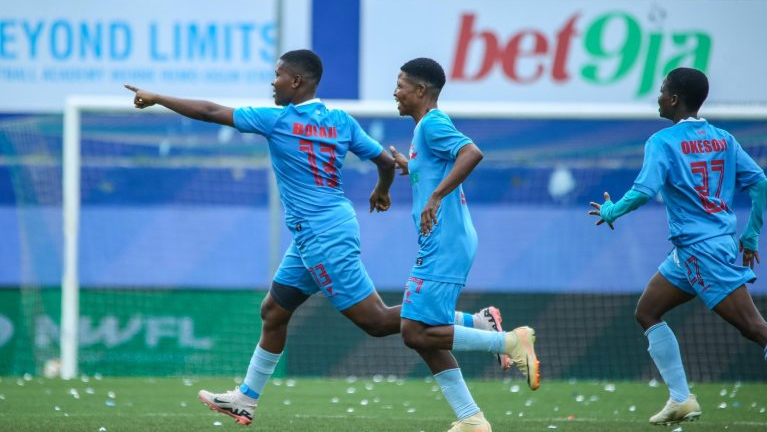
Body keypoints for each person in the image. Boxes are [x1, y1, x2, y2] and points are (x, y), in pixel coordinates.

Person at [125, 49, 506, 426]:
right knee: (273, 311)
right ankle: (246, 399)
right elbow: (384, 161)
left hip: (322, 235)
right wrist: (383, 189)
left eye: (277, 75)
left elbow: (210, 112)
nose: (272, 82)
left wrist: (158, 98)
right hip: (316, 233)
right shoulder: (340, 121)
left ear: (296, 81)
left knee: (375, 321)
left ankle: (478, 325)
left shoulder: (276, 120)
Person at [588, 67, 767, 426]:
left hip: (702, 251)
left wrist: (612, 210)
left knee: (754, 327)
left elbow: (645, 190)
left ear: (674, 99)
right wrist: (750, 235)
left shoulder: (662, 142)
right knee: (647, 310)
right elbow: (760, 183)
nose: (658, 96)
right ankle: (680, 398)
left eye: (662, 90)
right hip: (698, 248)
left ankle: (681, 396)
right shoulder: (722, 138)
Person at [390, 58, 540, 432]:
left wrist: (436, 196)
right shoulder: (424, 129)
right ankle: (471, 418)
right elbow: (438, 164)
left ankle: (509, 341)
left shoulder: (434, 123)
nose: (395, 92)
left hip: (445, 242)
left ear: (421, 91)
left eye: (401, 85)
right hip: (443, 240)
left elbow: (472, 153)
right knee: (422, 334)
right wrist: (411, 168)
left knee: (416, 331)